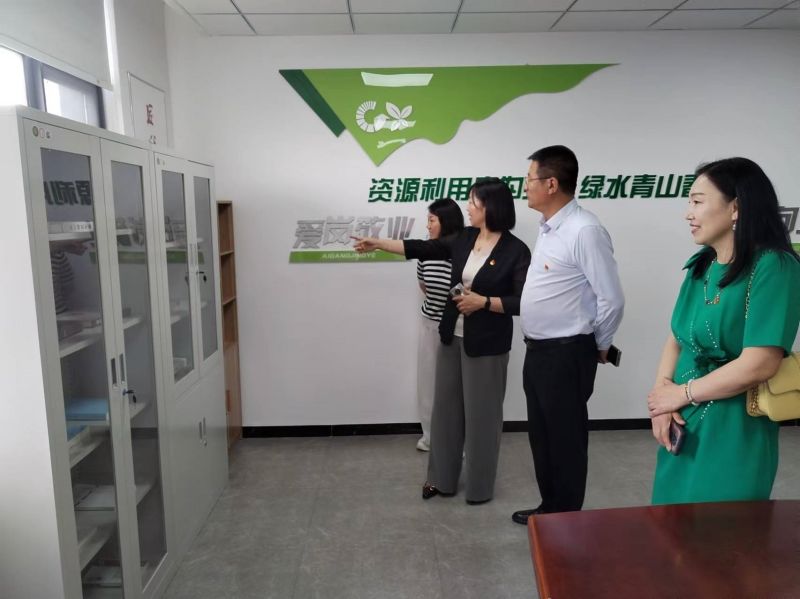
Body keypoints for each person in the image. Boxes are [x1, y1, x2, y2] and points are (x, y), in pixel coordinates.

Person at [353, 178, 531, 504]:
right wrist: (378, 243)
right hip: (451, 336)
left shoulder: (516, 250)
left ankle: (479, 487)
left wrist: (484, 302)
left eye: (473, 202)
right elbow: (421, 248)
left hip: (487, 345)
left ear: (491, 206)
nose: (468, 207)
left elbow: (522, 301)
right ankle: (440, 478)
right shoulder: (464, 238)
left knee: (482, 417)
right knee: (445, 412)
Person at [647, 157, 800, 504]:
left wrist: (682, 394)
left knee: (721, 527)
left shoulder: (774, 267)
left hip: (735, 425)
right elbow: (677, 338)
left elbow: (759, 363)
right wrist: (662, 400)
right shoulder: (701, 265)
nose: (688, 213)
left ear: (736, 208)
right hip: (683, 419)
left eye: (697, 201)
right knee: (671, 523)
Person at [512, 145, 625, 524]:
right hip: (539, 351)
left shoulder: (584, 230)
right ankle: (550, 509)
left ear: (551, 184)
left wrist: (599, 345)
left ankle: (567, 521)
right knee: (542, 436)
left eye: (529, 179)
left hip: (567, 352)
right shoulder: (549, 228)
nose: (525, 186)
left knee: (565, 439)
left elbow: (611, 298)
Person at [415, 198, 464, 452]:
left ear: (446, 222)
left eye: (432, 220)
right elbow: (424, 285)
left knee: (457, 386)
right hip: (430, 324)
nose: (428, 225)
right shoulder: (426, 251)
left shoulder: (465, 251)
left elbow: (466, 290)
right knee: (428, 383)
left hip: (458, 326)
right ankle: (430, 437)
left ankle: (459, 442)